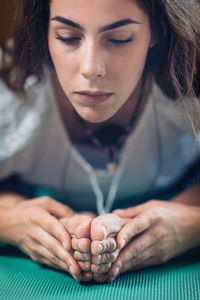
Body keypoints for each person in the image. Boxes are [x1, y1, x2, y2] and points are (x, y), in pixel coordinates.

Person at [0, 0, 200, 284]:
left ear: (158, 31)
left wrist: (190, 225)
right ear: (44, 30)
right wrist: (11, 222)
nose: (91, 67)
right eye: (67, 37)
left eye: (119, 39)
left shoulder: (190, 78)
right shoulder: (10, 92)